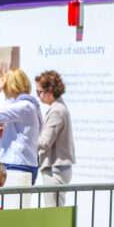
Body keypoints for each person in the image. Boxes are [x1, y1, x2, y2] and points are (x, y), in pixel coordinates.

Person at [0, 68, 42, 209]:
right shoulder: (31, 106)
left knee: (11, 212)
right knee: (18, 210)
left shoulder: (23, 106)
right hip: (23, 164)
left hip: (16, 165)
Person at [35, 70, 75, 207]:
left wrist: (26, 140)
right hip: (57, 168)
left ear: (49, 90)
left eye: (39, 92)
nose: (38, 96)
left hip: (55, 170)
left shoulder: (57, 110)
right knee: (56, 210)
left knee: (54, 211)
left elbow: (44, 142)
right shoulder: (59, 107)